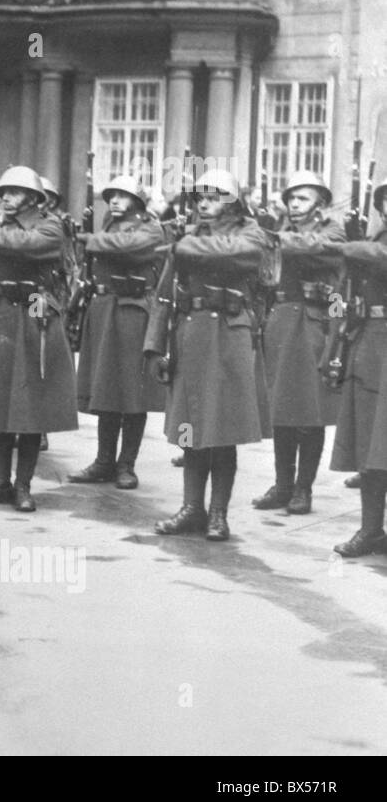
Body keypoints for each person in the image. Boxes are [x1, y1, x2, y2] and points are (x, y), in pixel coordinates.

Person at [144, 169, 272, 542]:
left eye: (214, 196)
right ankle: (191, 508)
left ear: (232, 201)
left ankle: (218, 513)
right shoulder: (188, 235)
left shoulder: (249, 231)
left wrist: (184, 245)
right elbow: (165, 293)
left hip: (229, 335)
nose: (204, 203)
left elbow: (245, 254)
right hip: (190, 335)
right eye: (199, 196)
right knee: (189, 428)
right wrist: (155, 344)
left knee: (222, 428)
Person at [0, 165, 78, 511]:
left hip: (34, 318)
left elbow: (29, 246)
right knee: (0, 404)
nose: (5, 197)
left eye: (12, 192)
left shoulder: (50, 225)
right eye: (3, 192)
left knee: (30, 407)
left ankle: (23, 485)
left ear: (32, 197)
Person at [253, 170, 345, 515]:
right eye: (291, 198)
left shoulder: (331, 229)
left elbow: (320, 248)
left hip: (313, 324)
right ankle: (282, 484)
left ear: (320, 204)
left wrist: (273, 238)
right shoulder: (281, 230)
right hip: (281, 321)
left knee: (310, 411)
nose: (294, 204)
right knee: (281, 410)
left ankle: (303, 489)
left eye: (303, 198)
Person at [69, 175, 166, 490]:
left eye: (122, 196)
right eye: (111, 195)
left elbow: (131, 247)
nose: (113, 200)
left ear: (137, 201)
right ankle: (103, 461)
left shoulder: (150, 227)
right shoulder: (108, 224)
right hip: (105, 308)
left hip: (132, 311)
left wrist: (89, 240)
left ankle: (127, 464)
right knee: (106, 389)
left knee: (132, 392)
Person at [328, 180, 387, 556]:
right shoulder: (372, 239)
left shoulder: (372, 246)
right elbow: (343, 294)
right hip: (371, 341)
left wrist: (348, 245)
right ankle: (371, 529)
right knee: (370, 441)